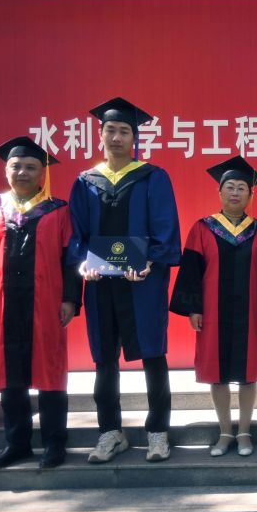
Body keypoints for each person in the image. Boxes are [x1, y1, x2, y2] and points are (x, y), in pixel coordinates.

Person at [69, 97, 181, 463]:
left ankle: (158, 432)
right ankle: (110, 432)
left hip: (142, 282)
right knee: (104, 359)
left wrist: (150, 261)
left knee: (153, 355)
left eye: (124, 131)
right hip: (100, 284)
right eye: (111, 130)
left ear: (135, 138)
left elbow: (166, 230)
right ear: (100, 135)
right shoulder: (85, 182)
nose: (117, 137)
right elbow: (77, 235)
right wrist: (83, 264)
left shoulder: (152, 177)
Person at [0, 136, 81, 469]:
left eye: (31, 167)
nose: (23, 172)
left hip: (45, 303)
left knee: (50, 372)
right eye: (16, 166)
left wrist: (70, 298)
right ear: (6, 170)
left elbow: (71, 259)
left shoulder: (59, 210)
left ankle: (54, 443)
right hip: (1, 304)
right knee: (9, 374)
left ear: (42, 174)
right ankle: (17, 444)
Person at [170, 157, 257, 457]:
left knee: (248, 373)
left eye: (242, 188)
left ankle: (244, 432)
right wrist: (194, 307)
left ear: (250, 195)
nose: (235, 192)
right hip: (213, 313)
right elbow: (191, 271)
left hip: (249, 312)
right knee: (216, 373)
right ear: (219, 192)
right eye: (230, 187)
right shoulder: (203, 228)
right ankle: (225, 431)